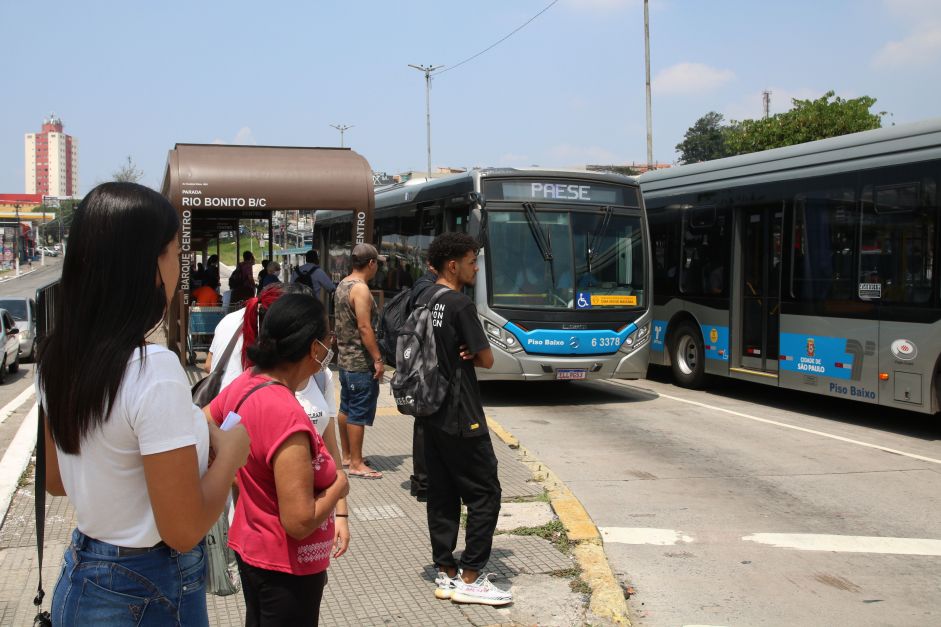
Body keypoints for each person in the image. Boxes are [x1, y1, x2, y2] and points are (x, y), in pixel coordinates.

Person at [38, 182, 251, 625]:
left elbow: (57, 482)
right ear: (148, 265)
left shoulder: (57, 358)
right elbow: (183, 528)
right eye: (176, 252)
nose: (180, 265)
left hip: (83, 575)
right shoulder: (152, 368)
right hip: (148, 590)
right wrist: (231, 455)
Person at [208, 293, 348, 626]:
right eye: (327, 337)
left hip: (251, 547)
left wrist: (238, 470)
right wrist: (338, 487)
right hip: (287, 567)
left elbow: (206, 425)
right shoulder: (287, 416)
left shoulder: (248, 383)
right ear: (314, 348)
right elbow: (299, 521)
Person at [416, 232, 512, 606]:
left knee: (441, 492)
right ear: (453, 265)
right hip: (461, 412)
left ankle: (446, 569)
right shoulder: (458, 304)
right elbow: (486, 358)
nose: (476, 267)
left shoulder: (420, 297)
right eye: (472, 261)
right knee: (485, 493)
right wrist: (472, 355)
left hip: (427, 410)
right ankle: (472, 575)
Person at [335, 243, 383, 479]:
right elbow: (364, 327)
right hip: (359, 361)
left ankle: (347, 455)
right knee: (357, 411)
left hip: (344, 360)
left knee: (346, 407)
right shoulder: (361, 290)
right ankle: (356, 463)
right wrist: (377, 359)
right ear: (371, 263)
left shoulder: (343, 284)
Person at [407, 263, 438, 502]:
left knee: (422, 426)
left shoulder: (419, 288)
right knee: (428, 427)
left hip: (417, 368)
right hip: (429, 370)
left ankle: (421, 483)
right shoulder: (433, 292)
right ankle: (427, 483)